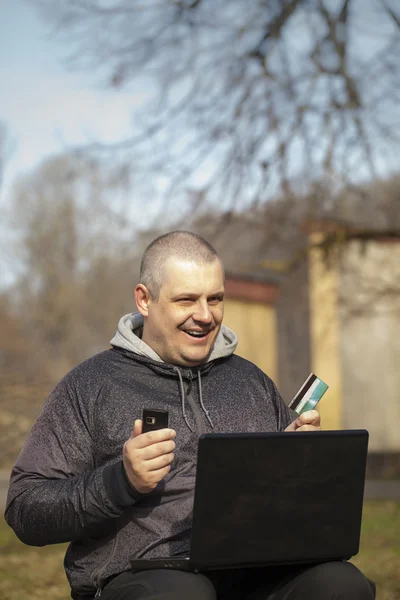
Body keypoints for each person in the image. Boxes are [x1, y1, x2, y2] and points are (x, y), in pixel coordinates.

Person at [5, 231, 375, 600]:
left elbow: (293, 511)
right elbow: (25, 509)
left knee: (340, 584)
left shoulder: (251, 381)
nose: (204, 315)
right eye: (186, 300)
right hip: (145, 578)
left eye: (215, 299)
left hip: (256, 573)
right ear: (144, 299)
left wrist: (302, 466)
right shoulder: (89, 386)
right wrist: (121, 480)